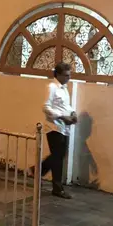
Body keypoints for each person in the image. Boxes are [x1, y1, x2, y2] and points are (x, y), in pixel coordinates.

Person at [41, 62, 77, 199]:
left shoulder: (64, 88)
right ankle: (57, 187)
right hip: (54, 127)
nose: (68, 78)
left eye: (69, 75)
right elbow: (46, 107)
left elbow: (66, 106)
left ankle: (38, 170)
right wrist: (61, 117)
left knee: (59, 156)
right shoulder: (51, 87)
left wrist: (73, 113)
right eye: (66, 75)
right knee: (57, 157)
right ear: (58, 74)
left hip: (64, 128)